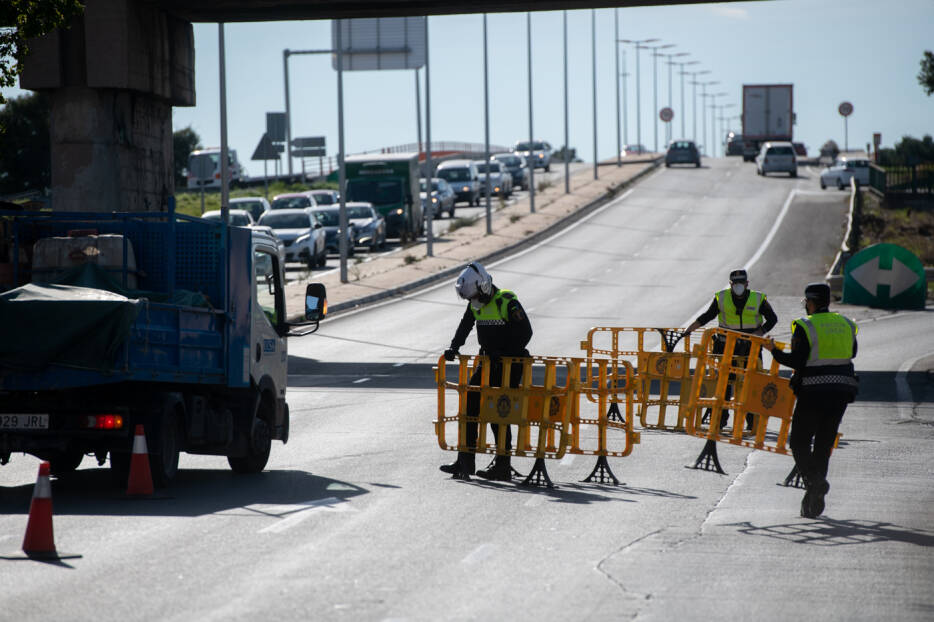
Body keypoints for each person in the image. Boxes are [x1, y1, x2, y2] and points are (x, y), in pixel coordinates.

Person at [767, 282, 858, 519]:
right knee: (823, 445)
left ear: (811, 302)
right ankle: (812, 500)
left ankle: (815, 482)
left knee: (798, 442)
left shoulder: (805, 326)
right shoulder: (847, 324)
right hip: (841, 392)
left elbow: (797, 361)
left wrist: (773, 350)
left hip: (814, 392)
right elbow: (853, 352)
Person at [440, 262, 533, 481]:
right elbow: (465, 325)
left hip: (510, 363)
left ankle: (502, 464)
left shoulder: (506, 301)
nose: (474, 303)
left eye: (476, 297)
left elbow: (526, 333)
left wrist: (503, 352)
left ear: (484, 287)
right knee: (470, 405)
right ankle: (465, 460)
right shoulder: (474, 302)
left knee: (499, 413)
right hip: (488, 361)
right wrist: (454, 347)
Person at [683, 269, 778, 429]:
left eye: (741, 283)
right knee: (724, 383)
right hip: (726, 347)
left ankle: (752, 421)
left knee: (751, 383)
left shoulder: (757, 298)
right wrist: (689, 329)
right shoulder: (721, 297)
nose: (738, 286)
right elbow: (708, 316)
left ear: (747, 283)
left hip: (751, 347)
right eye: (735, 284)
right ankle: (720, 419)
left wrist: (759, 333)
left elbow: (773, 319)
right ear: (730, 284)